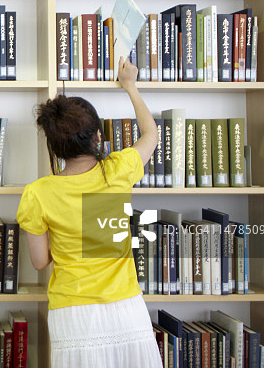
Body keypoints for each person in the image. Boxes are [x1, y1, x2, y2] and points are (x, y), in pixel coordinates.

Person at [16, 57, 162, 367]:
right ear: (97, 137)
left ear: (55, 147)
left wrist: (72, 231)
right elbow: (151, 134)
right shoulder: (118, 170)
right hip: (126, 309)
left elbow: (40, 261)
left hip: (73, 314)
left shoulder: (38, 193)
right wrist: (130, 86)